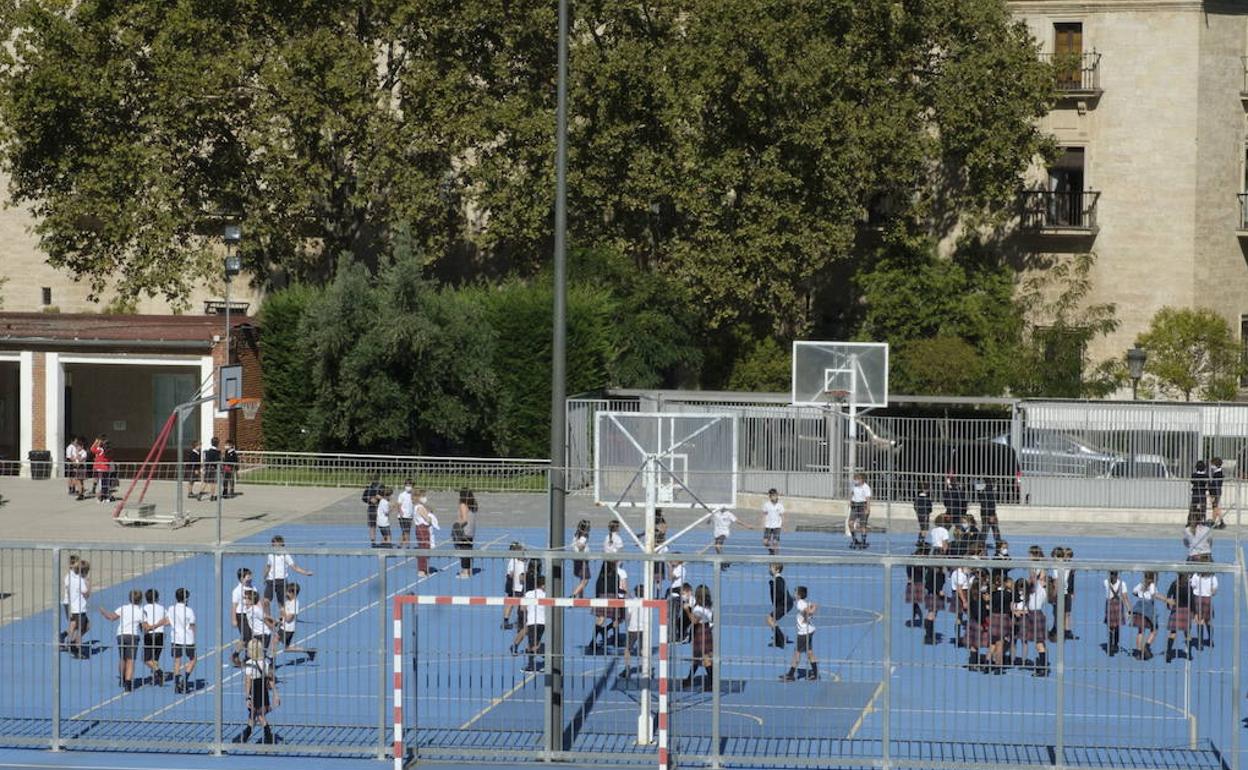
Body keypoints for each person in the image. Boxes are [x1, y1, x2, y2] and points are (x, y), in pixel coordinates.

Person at [99, 589, 144, 692]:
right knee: (130, 659)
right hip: (132, 636)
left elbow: (111, 617)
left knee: (122, 658)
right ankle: (128, 682)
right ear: (140, 600)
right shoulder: (140, 611)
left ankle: (123, 678)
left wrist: (103, 612)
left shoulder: (123, 608)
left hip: (121, 635)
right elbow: (144, 626)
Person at [237, 639, 279, 744]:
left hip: (255, 689)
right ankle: (249, 733)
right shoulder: (265, 662)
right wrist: (276, 694)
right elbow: (270, 679)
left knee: (257, 713)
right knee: (255, 713)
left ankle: (257, 734)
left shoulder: (250, 664)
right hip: (263, 688)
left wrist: (247, 697)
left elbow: (248, 682)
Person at [780, 586, 818, 681]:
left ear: (799, 595)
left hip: (803, 633)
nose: (794, 594)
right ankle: (816, 673)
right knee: (809, 652)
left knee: (797, 653)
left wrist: (809, 614)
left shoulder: (800, 604)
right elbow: (811, 608)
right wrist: (813, 608)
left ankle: (791, 675)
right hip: (810, 630)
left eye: (795, 592)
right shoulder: (805, 602)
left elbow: (808, 612)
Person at [264, 535, 313, 608]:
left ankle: (283, 618)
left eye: (275, 543)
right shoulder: (270, 554)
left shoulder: (286, 555)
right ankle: (267, 618)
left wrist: (306, 573)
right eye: (273, 543)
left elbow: (294, 567)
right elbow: (268, 566)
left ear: (281, 544)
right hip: (271, 580)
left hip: (281, 581)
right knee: (266, 601)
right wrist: (265, 577)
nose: (273, 545)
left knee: (281, 604)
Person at [683, 585, 714, 691]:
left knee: (705, 658)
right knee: (698, 657)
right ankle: (689, 679)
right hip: (707, 630)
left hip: (700, 631)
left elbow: (694, 620)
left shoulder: (698, 609)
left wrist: (687, 610)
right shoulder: (709, 605)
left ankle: (711, 682)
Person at [168, 587, 197, 693]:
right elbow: (192, 625)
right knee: (193, 659)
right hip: (188, 637)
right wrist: (194, 637)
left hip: (175, 637)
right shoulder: (189, 611)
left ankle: (176, 683)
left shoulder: (171, 609)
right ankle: (184, 680)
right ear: (186, 598)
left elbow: (169, 620)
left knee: (177, 661)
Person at [278, 583, 315, 661]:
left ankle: (271, 664)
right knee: (287, 649)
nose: (286, 593)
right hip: (284, 627)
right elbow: (283, 615)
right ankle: (309, 651)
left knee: (274, 641)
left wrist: (282, 610)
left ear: (293, 593)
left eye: (288, 592)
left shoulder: (295, 604)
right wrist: (280, 619)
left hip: (287, 629)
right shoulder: (288, 601)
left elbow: (288, 619)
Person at [1163, 572, 1195, 662]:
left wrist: (1168, 605)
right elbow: (1192, 600)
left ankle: (1169, 652)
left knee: (1173, 632)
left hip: (1176, 609)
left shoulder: (1174, 584)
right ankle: (1189, 654)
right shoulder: (1188, 586)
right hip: (1186, 610)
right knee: (1187, 633)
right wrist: (1194, 612)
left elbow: (1168, 595)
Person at [520, 576, 548, 673]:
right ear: (543, 585)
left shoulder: (528, 594)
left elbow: (522, 608)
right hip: (543, 622)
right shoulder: (546, 595)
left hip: (532, 622)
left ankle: (549, 661)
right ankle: (530, 664)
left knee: (534, 645)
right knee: (532, 644)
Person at [141, 588, 168, 685]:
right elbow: (167, 621)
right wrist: (158, 625)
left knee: (146, 659)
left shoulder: (144, 608)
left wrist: (150, 627)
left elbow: (143, 623)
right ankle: (157, 677)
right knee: (155, 658)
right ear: (157, 598)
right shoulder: (162, 608)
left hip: (149, 634)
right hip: (160, 634)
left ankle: (159, 672)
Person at [621, 584, 648, 679]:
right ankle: (646, 670)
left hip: (633, 628)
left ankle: (627, 669)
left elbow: (628, 617)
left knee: (627, 650)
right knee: (643, 651)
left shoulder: (632, 602)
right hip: (644, 629)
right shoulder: (648, 602)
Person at [65, 558, 90, 659]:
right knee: (80, 629)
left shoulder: (72, 578)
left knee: (87, 626)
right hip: (79, 609)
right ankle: (77, 648)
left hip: (75, 608)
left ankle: (72, 642)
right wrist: (88, 583)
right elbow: (86, 594)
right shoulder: (81, 581)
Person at [1131, 572, 1160, 661]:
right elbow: (1153, 594)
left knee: (1140, 631)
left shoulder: (1140, 585)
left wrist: (1140, 595)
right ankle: (1146, 646)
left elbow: (1134, 592)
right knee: (1154, 629)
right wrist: (1166, 599)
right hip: (1148, 609)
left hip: (1139, 607)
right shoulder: (1152, 586)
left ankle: (1138, 653)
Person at [230, 568, 254, 667]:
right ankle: (241, 656)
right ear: (241, 578)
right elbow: (234, 606)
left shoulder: (252, 587)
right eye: (248, 577)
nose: (250, 578)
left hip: (252, 615)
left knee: (251, 637)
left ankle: (245, 656)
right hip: (242, 615)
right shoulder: (237, 591)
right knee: (246, 638)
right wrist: (234, 619)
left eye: (250, 576)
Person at [1103, 571, 1130, 657]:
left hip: (1110, 604)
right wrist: (1129, 608)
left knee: (1113, 626)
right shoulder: (1122, 583)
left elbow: (1125, 598)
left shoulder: (1105, 582)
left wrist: (1129, 608)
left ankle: (1112, 644)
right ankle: (1113, 644)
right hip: (1117, 604)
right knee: (1114, 626)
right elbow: (1125, 597)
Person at [767, 563, 794, 649]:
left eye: (771, 567)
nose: (769, 569)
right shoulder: (777, 579)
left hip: (785, 604)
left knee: (769, 619)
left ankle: (781, 639)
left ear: (777, 570)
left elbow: (782, 592)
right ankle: (780, 638)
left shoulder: (778, 580)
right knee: (772, 620)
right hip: (784, 603)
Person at [453, 489, 478, 579]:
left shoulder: (463, 505)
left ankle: (465, 571)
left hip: (464, 530)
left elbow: (464, 519)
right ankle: (469, 570)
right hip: (471, 530)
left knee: (463, 550)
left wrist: (456, 525)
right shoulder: (473, 505)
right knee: (468, 550)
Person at [1190, 570, 1217, 650]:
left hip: (1197, 598)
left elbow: (1193, 586)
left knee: (1199, 620)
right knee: (1208, 621)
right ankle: (1210, 639)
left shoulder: (1195, 575)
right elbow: (1214, 591)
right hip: (1207, 599)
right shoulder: (1213, 577)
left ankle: (1200, 643)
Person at [502, 543, 526, 631]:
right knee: (516, 602)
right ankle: (517, 622)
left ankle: (509, 620)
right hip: (515, 584)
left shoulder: (518, 560)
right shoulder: (513, 561)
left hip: (515, 584)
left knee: (513, 602)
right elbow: (511, 574)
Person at [848, 473, 872, 549]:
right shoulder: (854, 486)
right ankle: (854, 540)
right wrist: (850, 501)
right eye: (855, 479)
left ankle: (863, 542)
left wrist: (867, 508)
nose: (856, 481)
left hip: (863, 505)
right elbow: (852, 493)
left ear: (862, 480)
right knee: (850, 523)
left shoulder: (866, 487)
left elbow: (868, 499)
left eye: (858, 479)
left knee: (862, 526)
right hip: (855, 505)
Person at [976, 479, 1001, 548]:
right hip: (989, 513)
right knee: (994, 529)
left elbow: (982, 501)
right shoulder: (989, 491)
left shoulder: (983, 491)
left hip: (984, 513)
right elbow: (991, 503)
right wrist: (992, 514)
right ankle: (998, 543)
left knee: (985, 529)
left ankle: (981, 543)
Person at [412, 490, 432, 575]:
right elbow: (427, 518)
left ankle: (423, 568)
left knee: (424, 546)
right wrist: (430, 519)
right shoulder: (420, 507)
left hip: (420, 528)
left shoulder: (417, 506)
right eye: (423, 496)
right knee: (424, 547)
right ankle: (422, 569)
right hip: (422, 528)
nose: (425, 498)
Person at [570, 519, 591, 598]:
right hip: (582, 559)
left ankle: (581, 596)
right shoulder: (584, 536)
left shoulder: (576, 534)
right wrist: (582, 545)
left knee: (582, 577)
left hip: (577, 558)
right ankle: (574, 594)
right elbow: (580, 546)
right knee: (585, 580)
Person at [361, 472, 383, 546]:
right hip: (371, 508)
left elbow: (387, 497)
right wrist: (370, 499)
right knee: (372, 525)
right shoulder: (369, 487)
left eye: (375, 478)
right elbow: (363, 497)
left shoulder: (382, 487)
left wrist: (379, 498)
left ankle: (384, 540)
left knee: (382, 525)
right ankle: (373, 541)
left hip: (380, 508)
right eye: (372, 478)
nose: (374, 480)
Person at [761, 488, 784, 556]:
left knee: (775, 542)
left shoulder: (780, 505)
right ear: (770, 496)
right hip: (768, 526)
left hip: (777, 526)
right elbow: (764, 514)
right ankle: (771, 551)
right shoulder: (766, 505)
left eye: (775, 495)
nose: (774, 497)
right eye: (772, 495)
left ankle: (776, 557)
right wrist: (763, 524)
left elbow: (782, 515)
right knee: (765, 542)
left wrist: (784, 525)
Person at [914, 481, 932, 546]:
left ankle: (920, 540)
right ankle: (922, 541)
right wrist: (928, 512)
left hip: (919, 514)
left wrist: (918, 511)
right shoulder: (927, 499)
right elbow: (930, 508)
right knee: (925, 528)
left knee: (922, 527)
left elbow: (915, 506)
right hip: (925, 514)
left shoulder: (917, 498)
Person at [396, 480, 414, 547]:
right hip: (403, 516)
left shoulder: (413, 494)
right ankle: (407, 544)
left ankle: (400, 543)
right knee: (406, 531)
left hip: (410, 515)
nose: (408, 487)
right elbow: (399, 504)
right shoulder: (402, 495)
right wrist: (400, 511)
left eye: (410, 485)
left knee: (405, 531)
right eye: (407, 485)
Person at [203, 437, 221, 502]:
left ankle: (200, 493)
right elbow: (217, 460)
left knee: (205, 481)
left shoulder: (208, 451)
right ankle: (212, 496)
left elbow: (206, 460)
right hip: (213, 468)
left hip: (207, 467)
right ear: (218, 443)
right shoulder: (217, 452)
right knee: (212, 483)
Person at [1209, 457, 1225, 529]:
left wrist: (1212, 494)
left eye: (1212, 464)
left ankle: (1220, 522)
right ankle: (1214, 521)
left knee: (1215, 507)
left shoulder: (1218, 473)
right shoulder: (1217, 472)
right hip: (1216, 492)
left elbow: (1215, 484)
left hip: (1216, 492)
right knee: (1215, 507)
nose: (1211, 466)